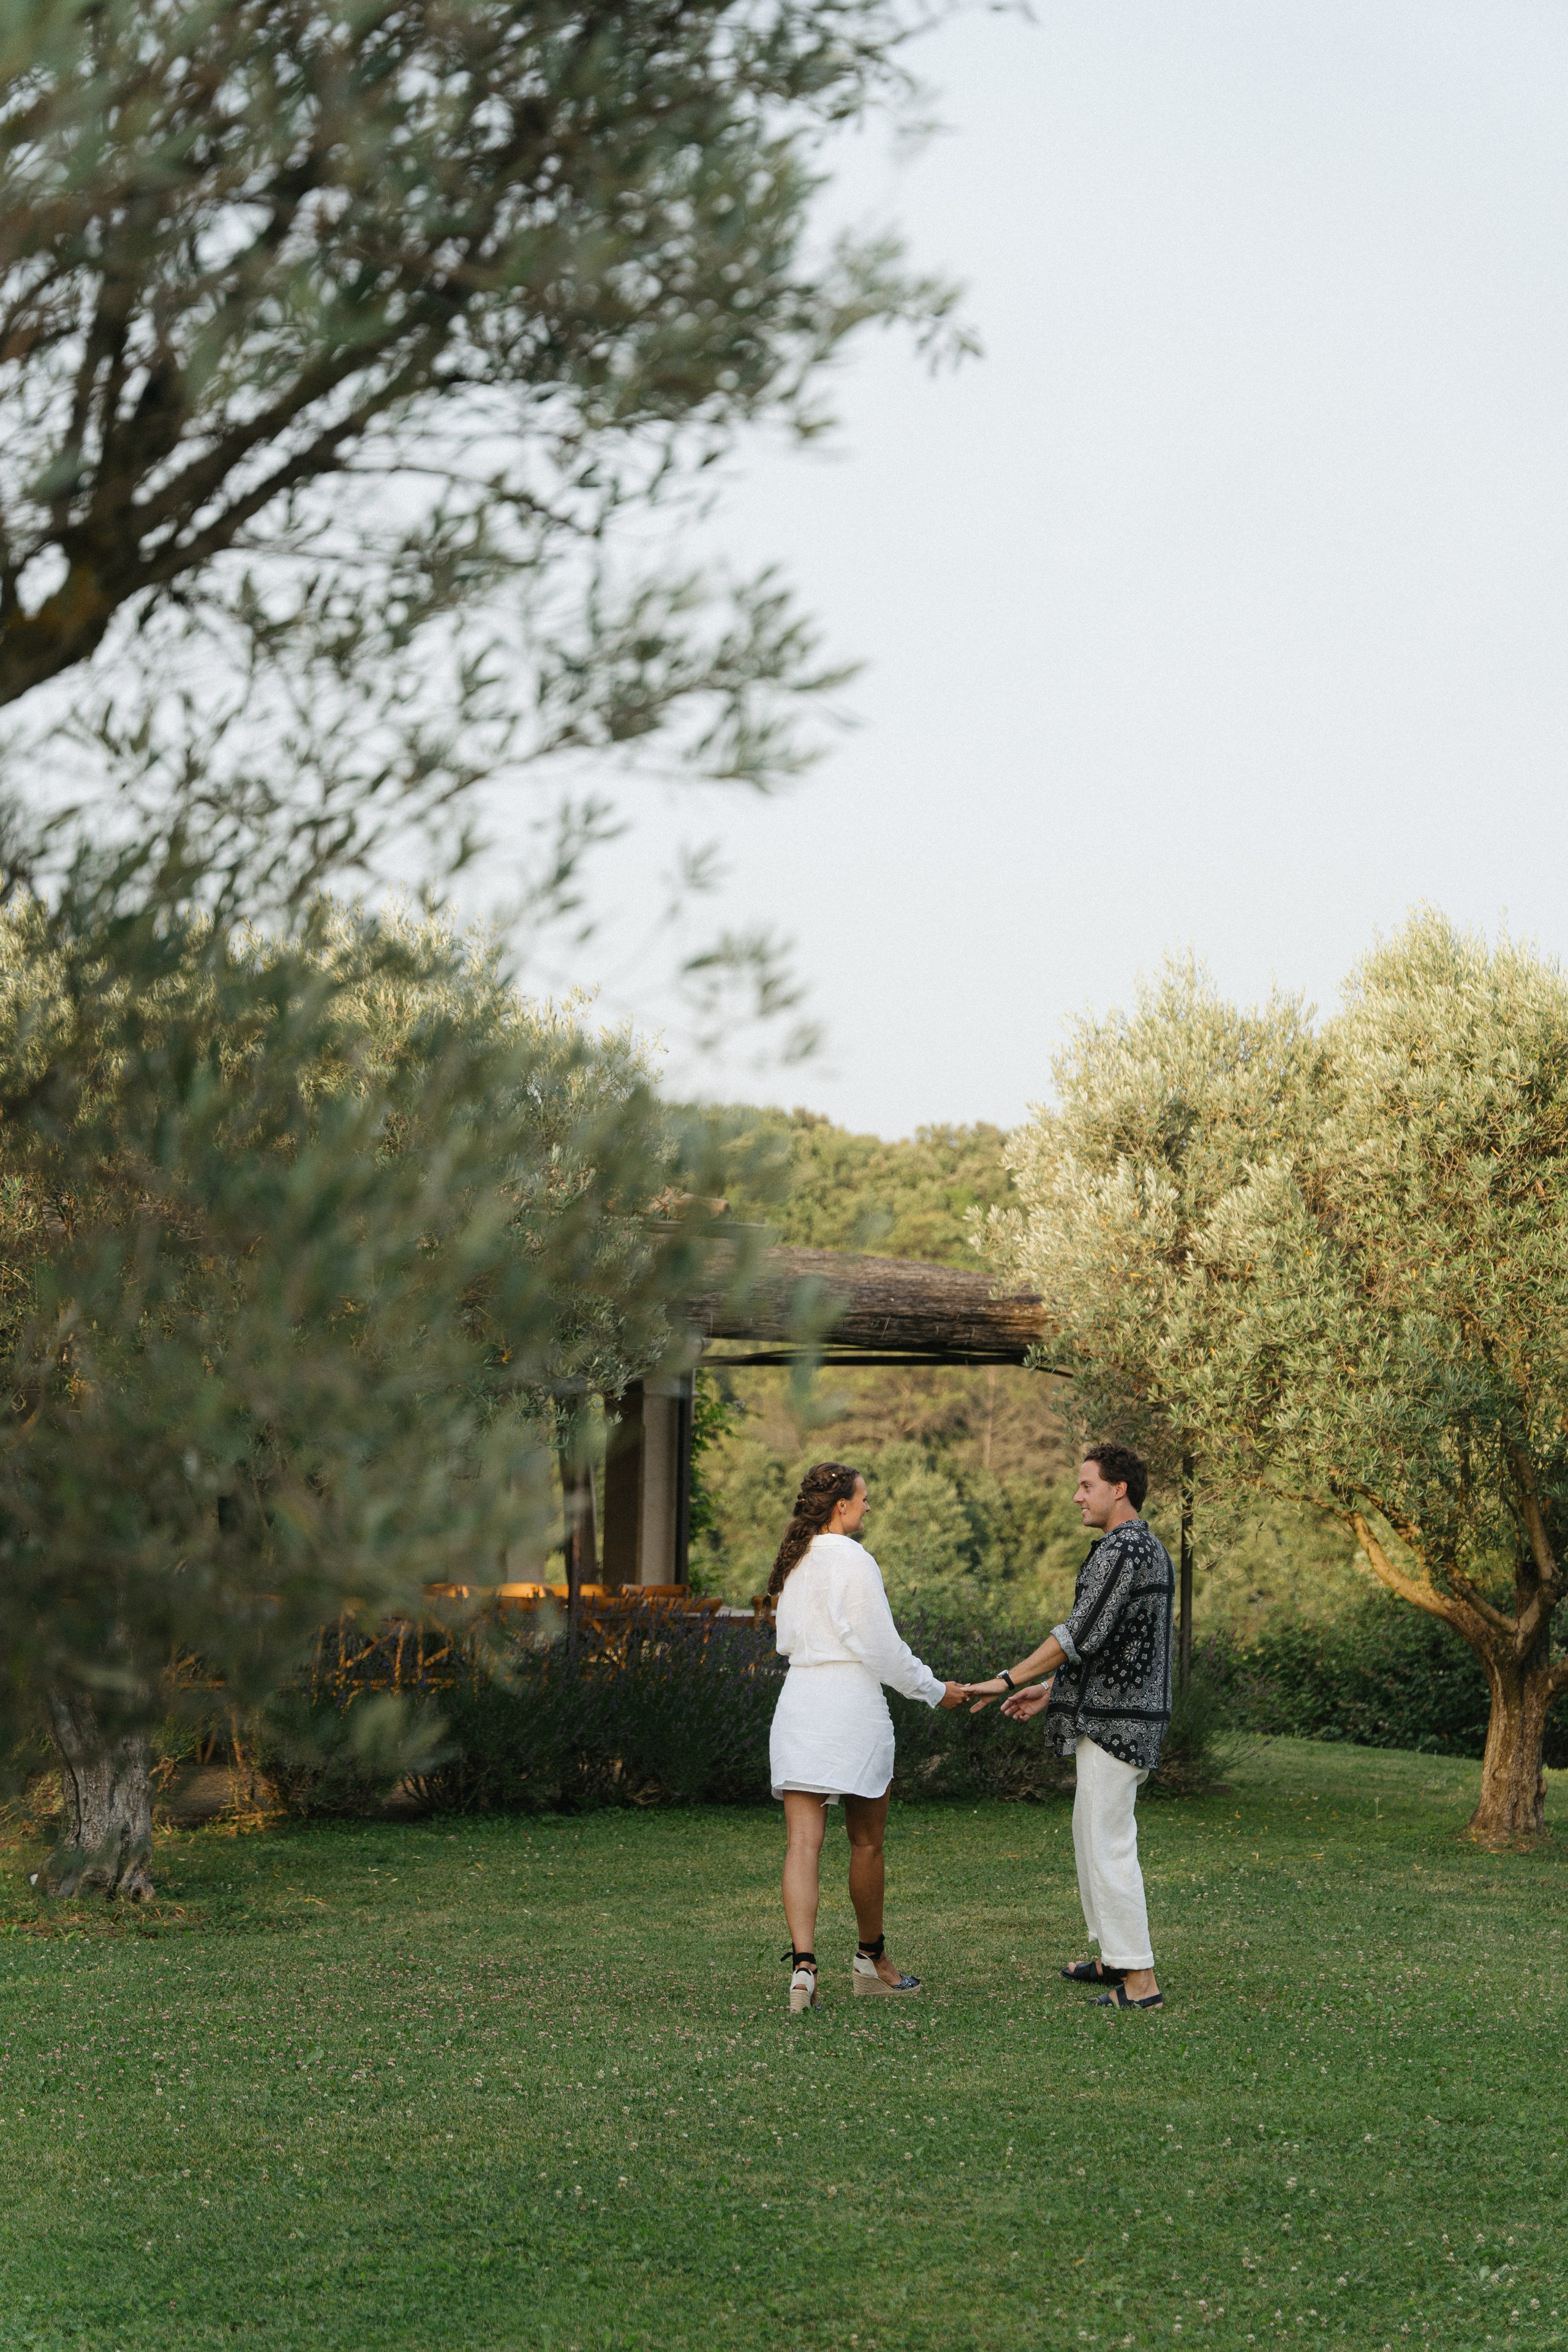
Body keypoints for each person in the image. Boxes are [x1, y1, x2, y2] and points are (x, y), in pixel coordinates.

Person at [965, 1443, 1174, 2011]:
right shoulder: (1143, 1547)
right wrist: (1052, 1690)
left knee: (1108, 1846)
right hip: (1113, 1714)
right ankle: (1114, 1956)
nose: (1077, 1496)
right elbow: (1110, 1643)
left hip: (1116, 1722)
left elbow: (1076, 1634)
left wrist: (1006, 1680)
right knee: (1091, 1836)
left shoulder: (1123, 1549)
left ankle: (1141, 1981)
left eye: (1087, 1485)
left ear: (1119, 1489)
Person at [767, 1461, 966, 2013]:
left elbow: (787, 1637)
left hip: (800, 1703)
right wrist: (935, 1690)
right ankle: (871, 1961)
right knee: (866, 1842)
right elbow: (883, 1650)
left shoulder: (795, 1558)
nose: (869, 1506)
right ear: (842, 1506)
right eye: (863, 1498)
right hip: (850, 1707)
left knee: (802, 1843)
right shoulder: (855, 1560)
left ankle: (804, 1967)